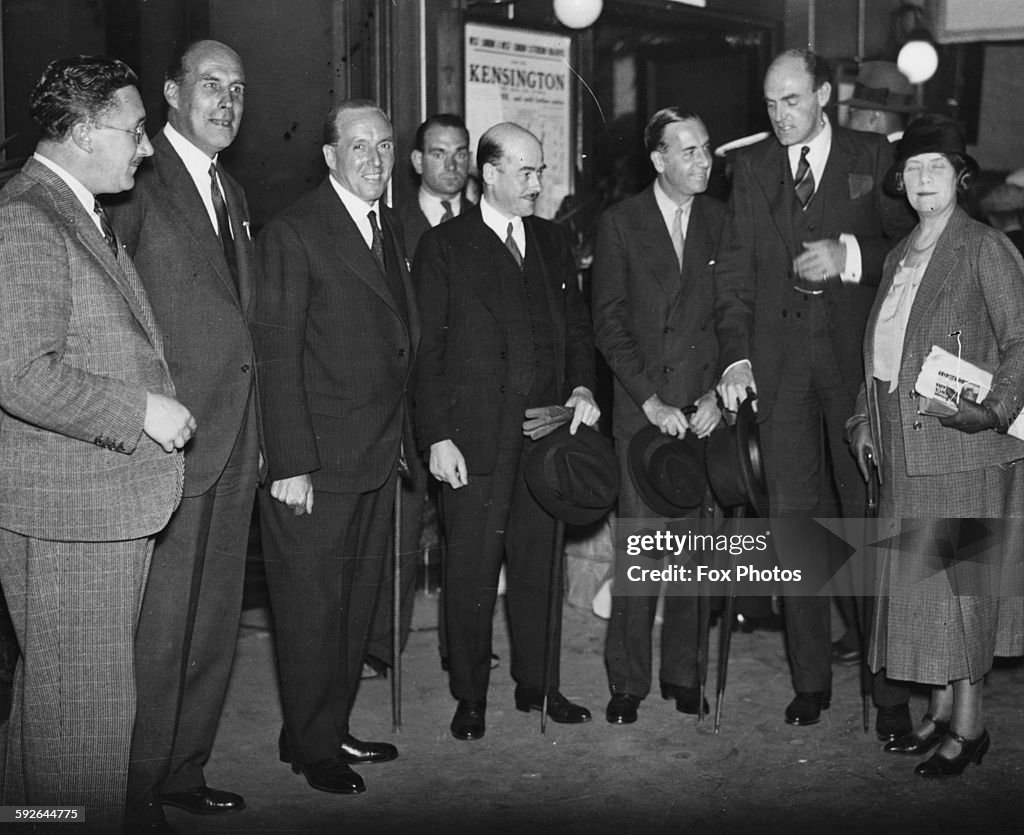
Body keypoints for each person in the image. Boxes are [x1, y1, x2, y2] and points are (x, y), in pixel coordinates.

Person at [0, 55, 193, 830]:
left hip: (89, 512)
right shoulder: (27, 218)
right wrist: (138, 408)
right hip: (68, 518)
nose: (146, 148)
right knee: (82, 730)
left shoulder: (70, 209)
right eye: (136, 131)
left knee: (51, 724)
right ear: (82, 132)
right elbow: (17, 370)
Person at [714, 49, 915, 727]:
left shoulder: (875, 156)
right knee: (795, 527)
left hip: (857, 376)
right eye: (770, 104)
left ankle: (888, 694)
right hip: (779, 373)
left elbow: (916, 249)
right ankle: (811, 681)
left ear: (824, 94)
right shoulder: (751, 169)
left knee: (865, 526)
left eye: (792, 101)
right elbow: (736, 273)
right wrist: (736, 360)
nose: (780, 116)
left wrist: (850, 257)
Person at [106, 40, 259, 825]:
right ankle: (132, 791)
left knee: (210, 623)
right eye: (210, 86)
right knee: (159, 633)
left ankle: (181, 769)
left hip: (232, 441)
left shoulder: (230, 189)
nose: (226, 102)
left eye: (237, 89)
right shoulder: (135, 178)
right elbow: (106, 305)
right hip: (168, 441)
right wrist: (138, 409)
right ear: (171, 92)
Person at [847, 113, 1024, 777]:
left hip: (962, 447)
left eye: (936, 169)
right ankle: (943, 714)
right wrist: (863, 420)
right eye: (913, 169)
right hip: (906, 450)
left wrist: (994, 408)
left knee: (962, 590)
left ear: (960, 178)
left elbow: (1021, 337)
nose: (923, 180)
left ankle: (971, 727)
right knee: (928, 593)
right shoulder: (900, 255)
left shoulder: (983, 247)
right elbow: (881, 357)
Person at [415, 122, 599, 741]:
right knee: (469, 571)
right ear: (488, 174)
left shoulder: (552, 239)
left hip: (545, 437)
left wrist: (581, 387)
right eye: (526, 171)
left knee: (539, 566)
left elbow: (577, 329)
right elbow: (427, 352)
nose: (538, 182)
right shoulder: (445, 246)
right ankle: (470, 696)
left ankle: (537, 684)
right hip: (473, 442)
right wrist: (438, 436)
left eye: (541, 170)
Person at [253, 99, 415, 795]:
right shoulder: (296, 230)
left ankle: (326, 725)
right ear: (329, 156)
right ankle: (313, 747)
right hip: (316, 462)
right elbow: (276, 352)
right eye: (359, 146)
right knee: (313, 609)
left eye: (383, 146)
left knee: (352, 606)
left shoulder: (384, 226)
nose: (374, 158)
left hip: (374, 456)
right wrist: (289, 462)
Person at [592, 107, 723, 724]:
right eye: (690, 151)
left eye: (706, 149)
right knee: (642, 555)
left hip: (703, 413)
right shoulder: (620, 224)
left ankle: (684, 674)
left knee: (699, 550)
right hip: (643, 414)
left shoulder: (722, 222)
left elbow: (732, 315)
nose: (703, 161)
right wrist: (650, 400)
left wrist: (717, 398)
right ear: (659, 160)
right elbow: (609, 323)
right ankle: (628, 682)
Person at [364, 112, 472, 680]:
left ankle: (464, 649)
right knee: (402, 532)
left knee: (467, 532)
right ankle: (385, 649)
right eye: (438, 153)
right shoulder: (389, 223)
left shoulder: (483, 224)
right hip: (405, 403)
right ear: (415, 162)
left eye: (460, 154)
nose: (450, 165)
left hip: (463, 404)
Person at [840, 60, 920, 142]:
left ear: (873, 117)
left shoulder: (876, 153)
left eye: (851, 114)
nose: (847, 124)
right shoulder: (913, 149)